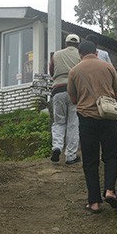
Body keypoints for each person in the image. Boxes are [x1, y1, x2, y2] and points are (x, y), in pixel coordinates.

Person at [67, 40, 117, 213]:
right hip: (108, 117)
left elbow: (74, 99)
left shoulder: (74, 71)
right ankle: (110, 191)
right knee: (111, 156)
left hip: (86, 120)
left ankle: (94, 202)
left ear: (80, 54)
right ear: (96, 52)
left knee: (90, 161)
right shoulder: (108, 67)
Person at [49, 33, 81, 164]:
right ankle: (70, 156)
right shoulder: (80, 55)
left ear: (66, 43)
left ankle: (57, 146)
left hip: (58, 90)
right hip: (74, 91)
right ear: (78, 44)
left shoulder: (56, 55)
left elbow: (51, 72)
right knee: (73, 123)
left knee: (59, 121)